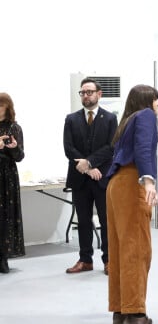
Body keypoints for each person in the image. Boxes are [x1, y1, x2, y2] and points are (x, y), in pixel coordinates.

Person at [106, 84, 158, 324]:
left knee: (119, 248)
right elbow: (142, 148)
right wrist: (148, 180)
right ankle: (136, 314)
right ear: (148, 101)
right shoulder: (146, 115)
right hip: (131, 184)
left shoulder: (127, 120)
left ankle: (120, 309)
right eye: (157, 102)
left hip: (116, 185)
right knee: (137, 249)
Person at [63, 78, 117, 275]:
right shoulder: (71, 119)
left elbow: (111, 147)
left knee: (106, 221)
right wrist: (87, 168)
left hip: (102, 178)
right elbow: (69, 149)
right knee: (83, 220)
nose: (85, 96)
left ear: (99, 94)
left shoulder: (110, 119)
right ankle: (85, 260)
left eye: (89, 92)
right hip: (80, 179)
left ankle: (109, 259)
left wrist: (91, 163)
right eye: (82, 92)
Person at [0, 93, 25, 273]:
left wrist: (14, 147)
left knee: (5, 217)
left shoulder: (14, 128)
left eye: (1, 106)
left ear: (7, 108)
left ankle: (3, 257)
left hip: (6, 176)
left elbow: (20, 157)